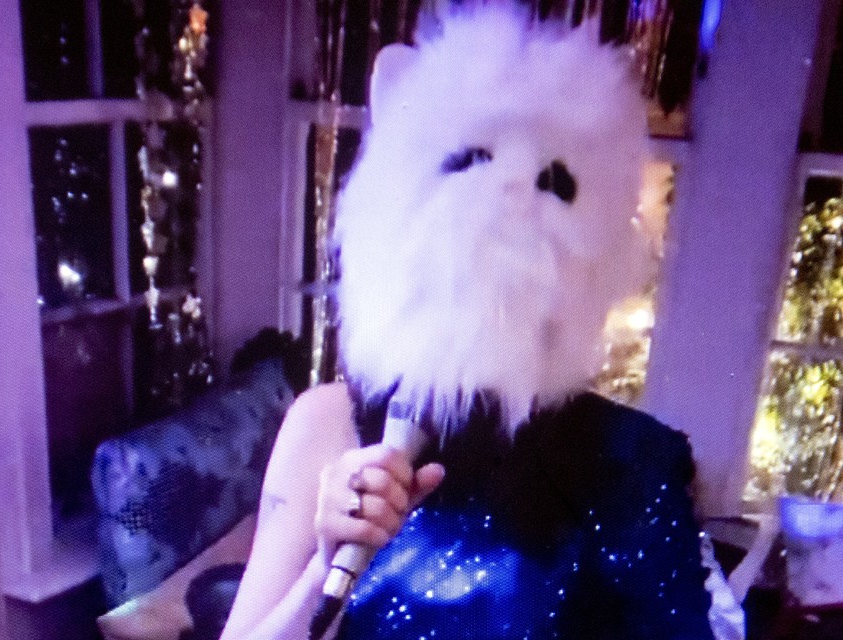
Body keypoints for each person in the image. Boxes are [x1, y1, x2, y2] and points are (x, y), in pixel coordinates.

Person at [222, 4, 727, 639]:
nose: (512, 193)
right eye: (469, 161)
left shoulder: (635, 463)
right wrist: (324, 570)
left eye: (554, 181)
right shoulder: (326, 425)